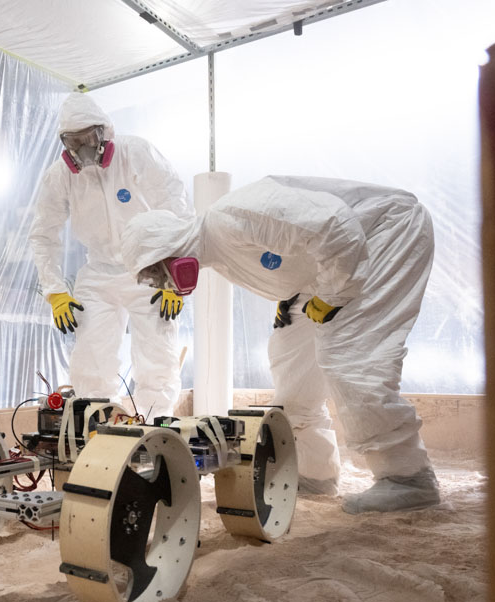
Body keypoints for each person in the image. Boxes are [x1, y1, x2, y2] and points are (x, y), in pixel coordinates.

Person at [121, 175, 440, 514]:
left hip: (383, 235)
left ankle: (407, 476)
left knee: (349, 356)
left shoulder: (231, 218)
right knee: (292, 361)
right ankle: (314, 470)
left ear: (168, 244)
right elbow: (293, 254)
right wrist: (290, 298)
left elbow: (335, 226)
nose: (163, 281)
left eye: (158, 270)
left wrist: (333, 296)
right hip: (331, 268)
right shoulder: (216, 252)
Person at [28, 92, 193, 419]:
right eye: (74, 142)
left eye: (88, 138)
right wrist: (56, 292)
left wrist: (173, 277)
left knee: (156, 358)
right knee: (91, 356)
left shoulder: (136, 153)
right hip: (98, 272)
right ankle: (96, 426)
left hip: (149, 269)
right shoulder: (61, 176)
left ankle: (155, 427)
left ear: (104, 132)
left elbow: (177, 208)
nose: (82, 149)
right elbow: (43, 234)